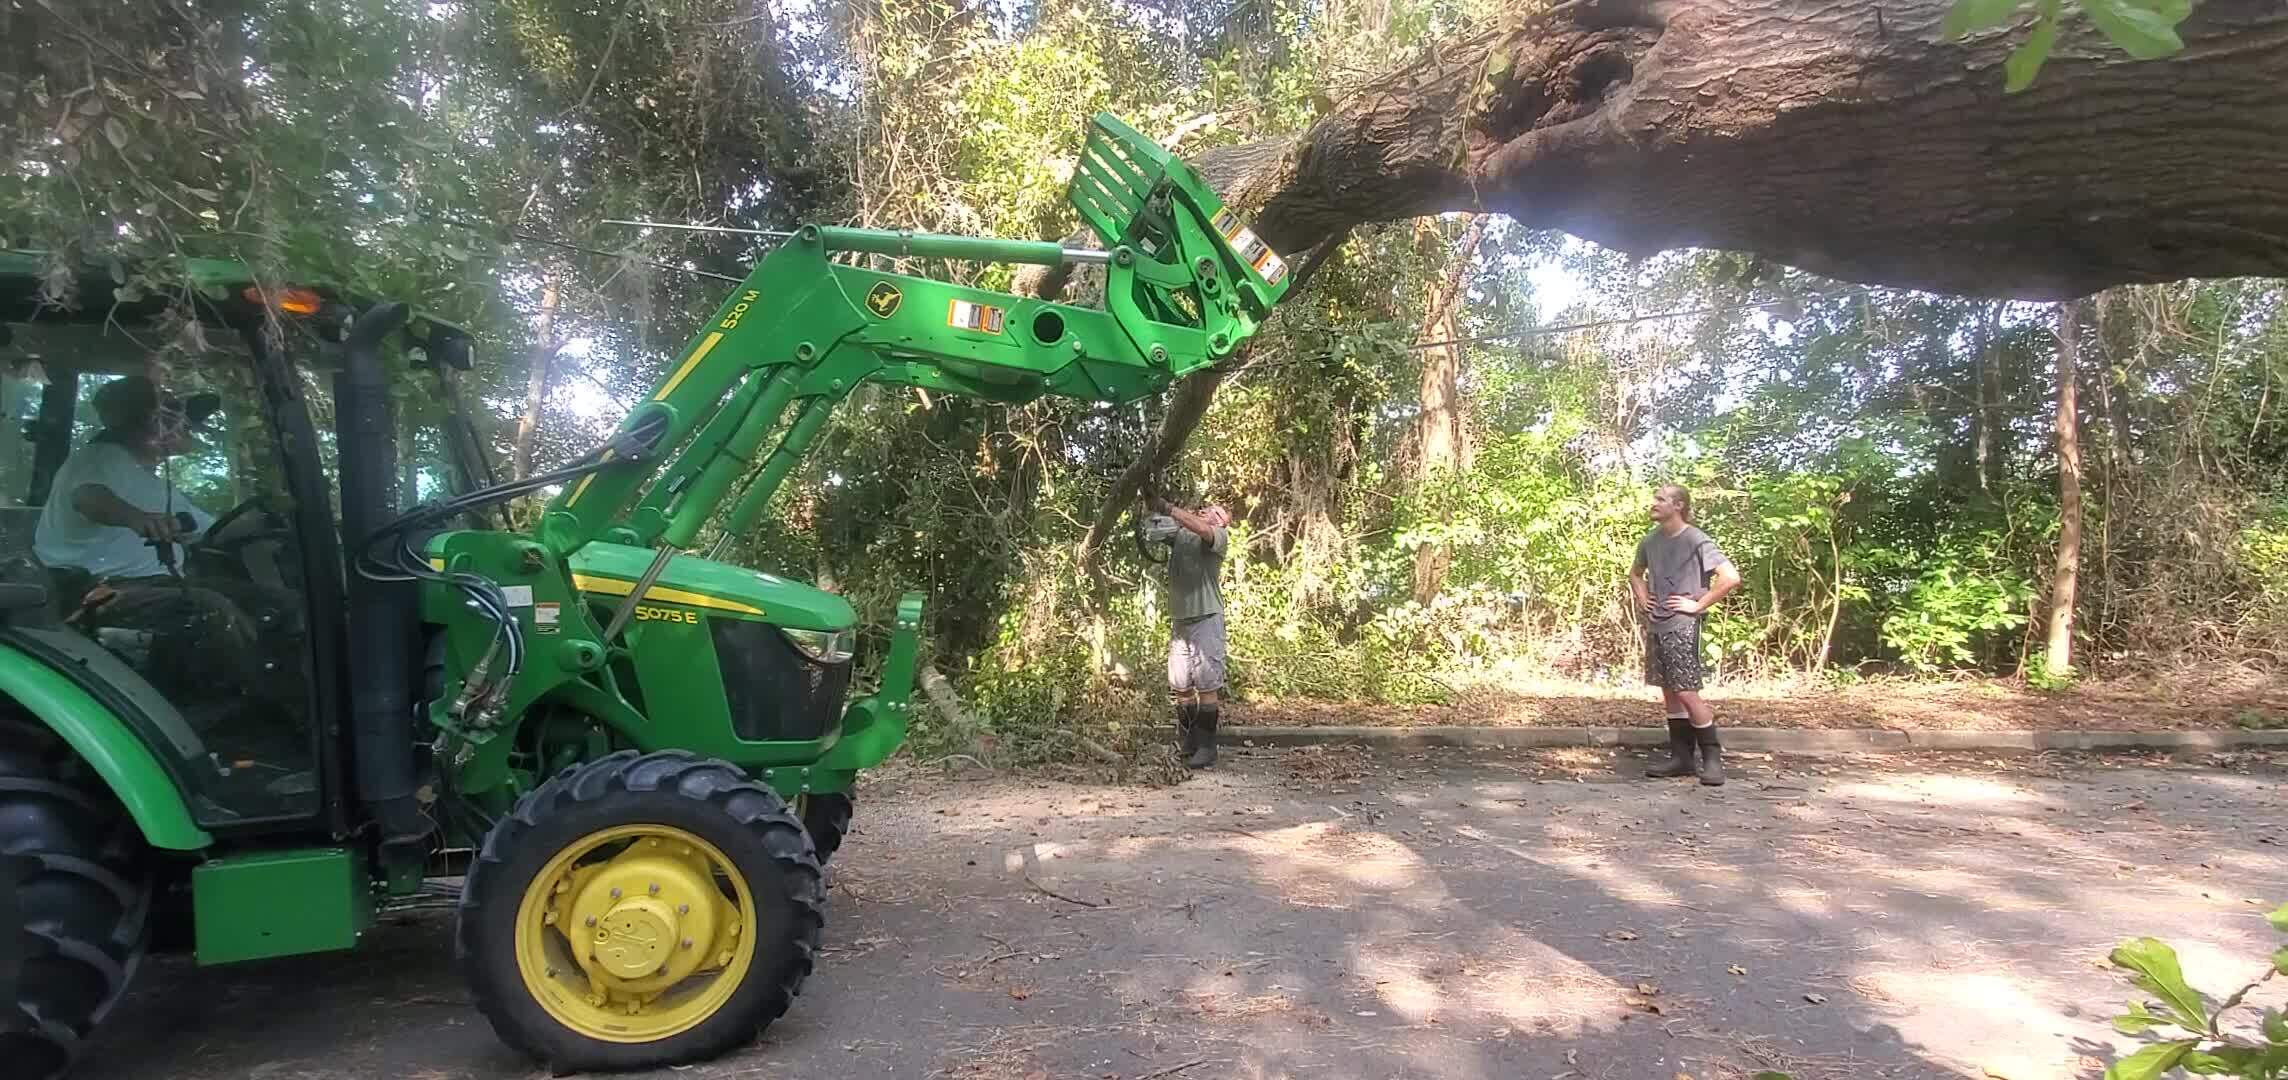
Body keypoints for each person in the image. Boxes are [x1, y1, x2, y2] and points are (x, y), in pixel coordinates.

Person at [33, 374, 287, 702]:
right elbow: (89, 498)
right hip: (94, 591)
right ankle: (261, 706)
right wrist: (137, 519)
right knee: (211, 609)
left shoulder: (155, 483)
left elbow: (213, 532)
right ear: (144, 424)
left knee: (271, 601)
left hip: (151, 585)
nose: (185, 425)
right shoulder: (99, 457)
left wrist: (276, 514)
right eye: (171, 417)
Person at [1630, 483, 1742, 785]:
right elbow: (1635, 573)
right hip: (1657, 623)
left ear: (1678, 505)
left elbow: (1730, 577)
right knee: (1668, 690)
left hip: (1682, 624)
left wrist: (1697, 605)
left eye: (1660, 499)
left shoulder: (1695, 539)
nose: (1653, 503)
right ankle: (1681, 759)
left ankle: (1712, 759)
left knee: (1686, 691)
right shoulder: (1650, 541)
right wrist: (1643, 599)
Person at [1144, 493, 1232, 769]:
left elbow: (1201, 528)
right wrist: (1148, 507)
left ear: (1221, 521)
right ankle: (1188, 743)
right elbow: (1154, 532)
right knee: (1181, 684)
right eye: (1205, 509)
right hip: (1180, 620)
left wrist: (1169, 507)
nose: (1206, 511)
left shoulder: (1217, 537)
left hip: (1207, 617)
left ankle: (1207, 747)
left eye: (1213, 511)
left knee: (1207, 684)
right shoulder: (1182, 536)